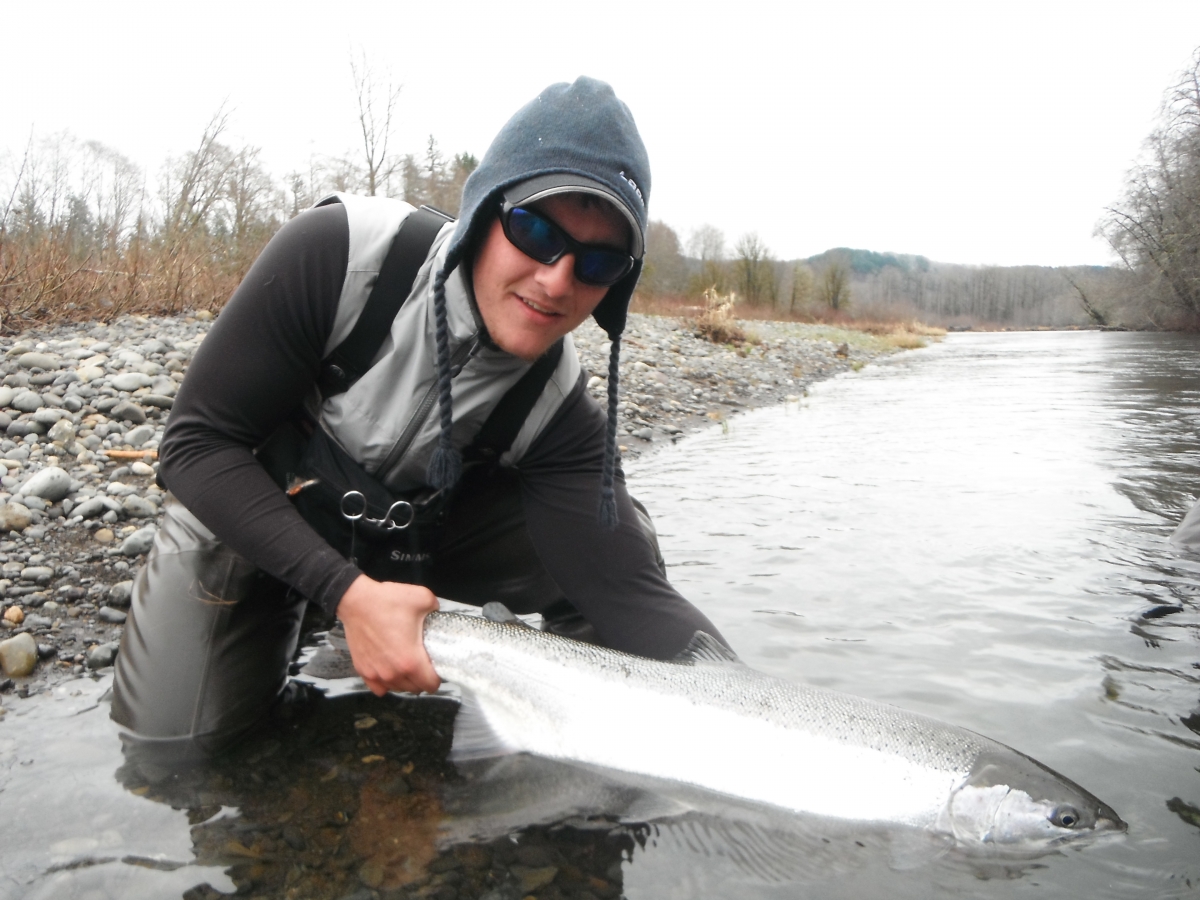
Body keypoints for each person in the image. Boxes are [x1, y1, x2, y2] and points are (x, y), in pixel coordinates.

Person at [111, 76, 726, 760]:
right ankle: (306, 618)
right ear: (484, 215)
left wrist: (756, 711)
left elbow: (631, 594)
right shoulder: (342, 256)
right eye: (535, 230)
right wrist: (342, 592)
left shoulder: (559, 408)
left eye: (599, 259)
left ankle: (574, 760)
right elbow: (194, 446)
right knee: (173, 756)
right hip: (254, 512)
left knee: (617, 537)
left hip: (413, 545)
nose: (558, 279)